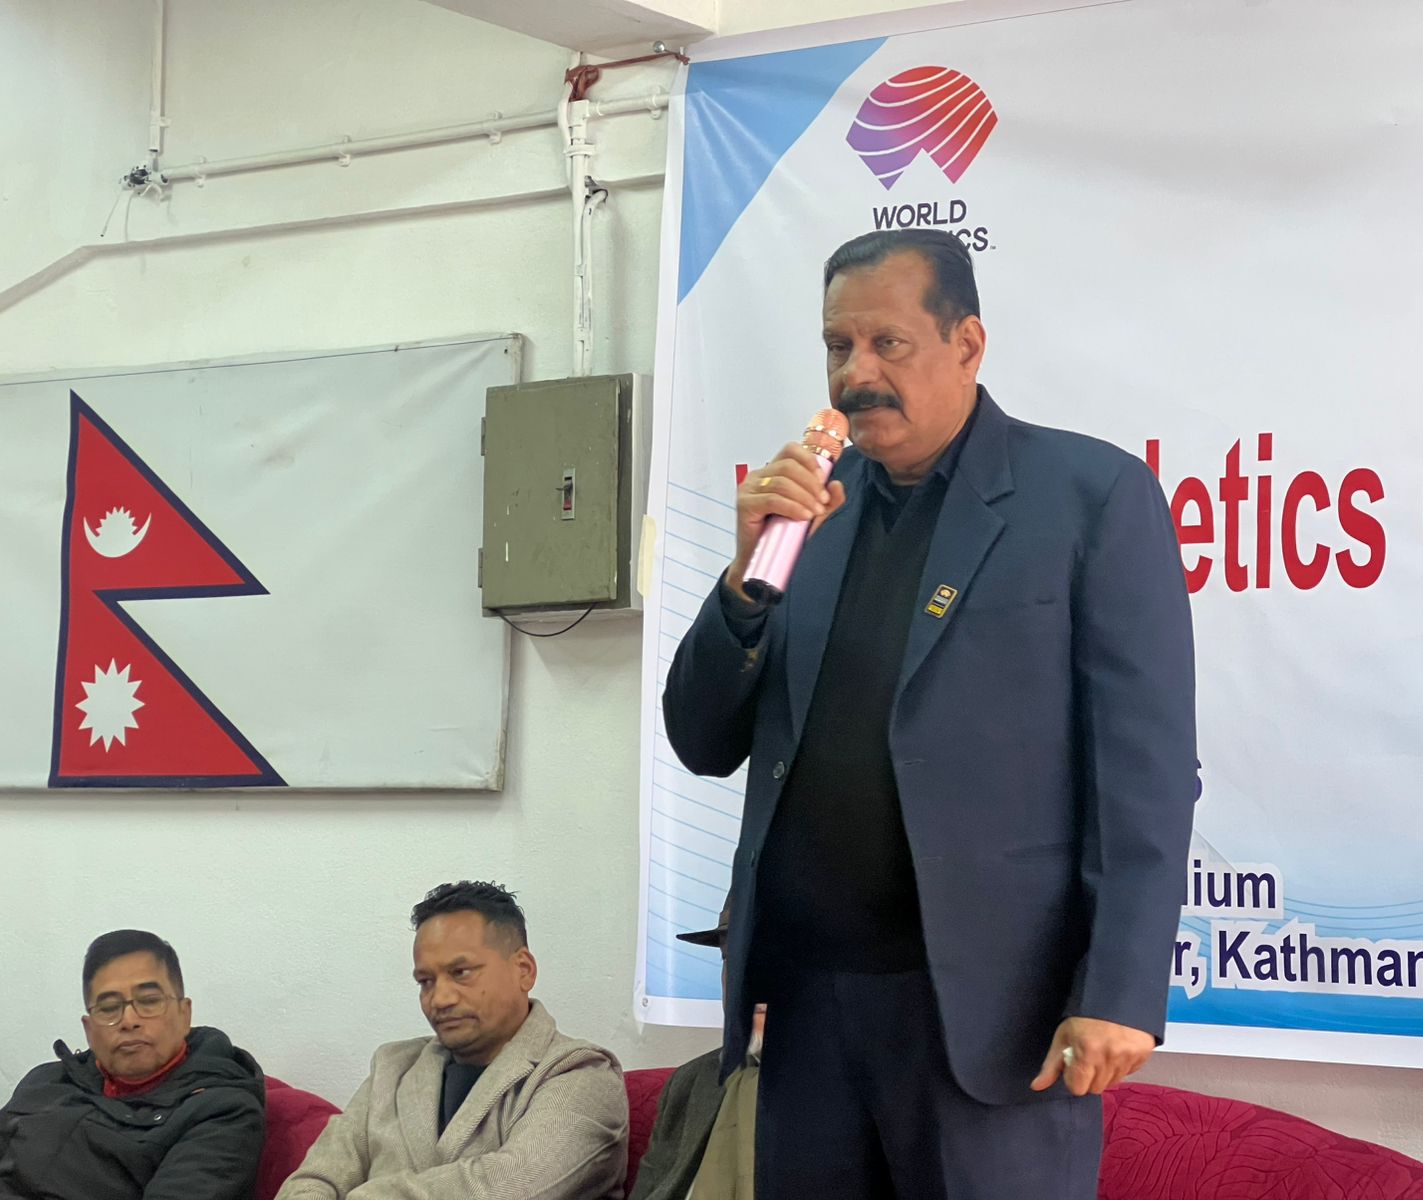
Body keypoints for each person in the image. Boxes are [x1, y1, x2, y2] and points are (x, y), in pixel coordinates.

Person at [662, 228, 1197, 1199]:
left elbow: (1146, 772)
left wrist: (1120, 992)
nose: (855, 374)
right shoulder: (807, 515)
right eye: (838, 346)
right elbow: (702, 740)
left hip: (994, 1022)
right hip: (808, 1016)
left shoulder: (1088, 495)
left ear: (967, 344)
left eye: (887, 344)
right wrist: (743, 582)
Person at [275, 880, 627, 1200]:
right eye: (425, 981)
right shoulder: (392, 1068)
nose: (440, 999)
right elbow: (314, 1180)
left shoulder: (581, 1075)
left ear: (524, 970)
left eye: (461, 973)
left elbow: (505, 1189)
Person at [0, 929, 265, 1200]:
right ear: (89, 1029)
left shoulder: (223, 1112)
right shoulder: (47, 1081)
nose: (129, 1021)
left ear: (184, 1014)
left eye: (149, 1002)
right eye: (108, 1008)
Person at [631, 901, 761, 1200]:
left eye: (767, 957)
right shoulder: (690, 1083)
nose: (744, 979)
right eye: (730, 958)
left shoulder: (853, 1092)